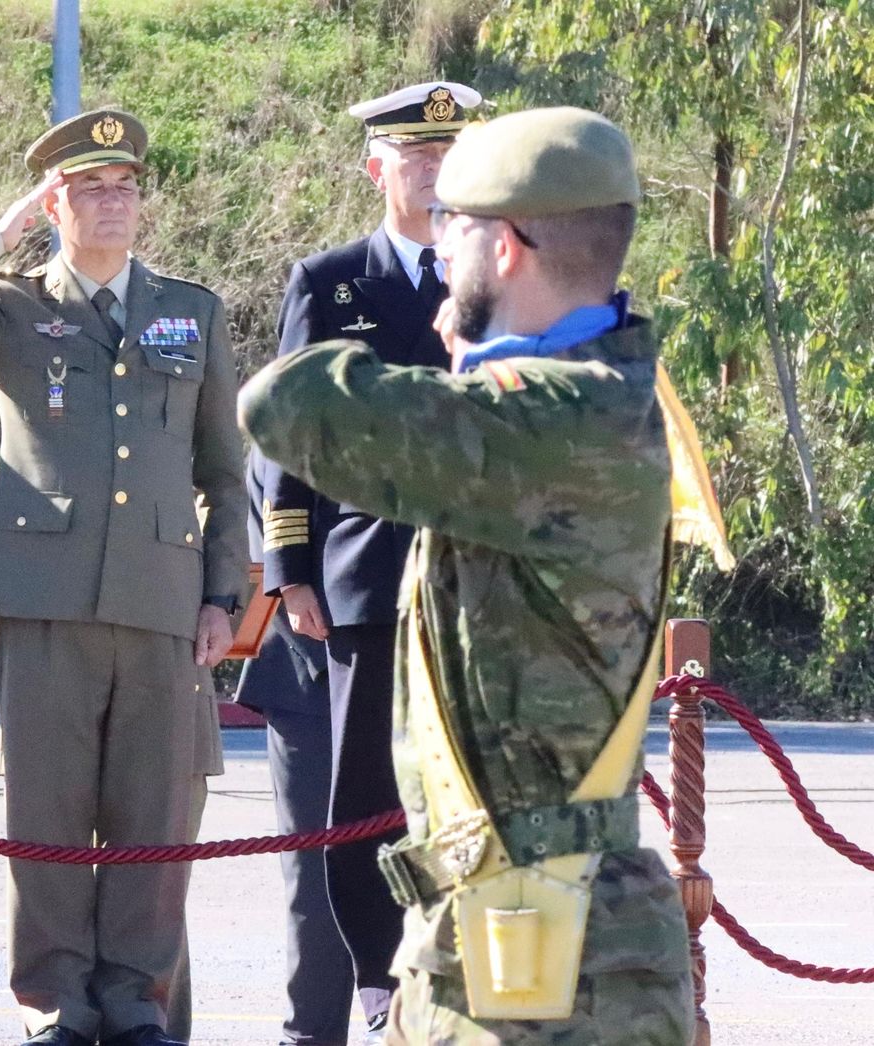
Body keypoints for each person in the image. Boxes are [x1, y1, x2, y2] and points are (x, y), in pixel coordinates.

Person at [240, 106, 695, 1044]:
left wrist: (468, 351)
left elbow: (285, 403)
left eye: (455, 228)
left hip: (558, 963)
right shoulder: (582, 398)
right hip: (509, 934)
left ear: (508, 246)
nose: (439, 253)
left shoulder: (554, 418)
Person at [0, 108, 247, 1046]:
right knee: (43, 815)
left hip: (162, 601)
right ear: (55, 201)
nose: (113, 200)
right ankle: (58, 1006)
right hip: (43, 598)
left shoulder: (190, 310)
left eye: (126, 184)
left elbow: (221, 468)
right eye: (90, 186)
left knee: (153, 817)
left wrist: (223, 596)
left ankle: (136, 1003)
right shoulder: (13, 305)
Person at [260, 80, 480, 1041]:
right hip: (365, 576)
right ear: (376, 168)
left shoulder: (494, 273)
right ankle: (374, 979)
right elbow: (289, 436)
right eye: (417, 159)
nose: (434, 176)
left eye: (448, 158)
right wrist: (291, 570)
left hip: (473, 581)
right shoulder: (332, 280)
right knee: (362, 795)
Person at [231, 449, 353, 1046]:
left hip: (409, 664)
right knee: (316, 875)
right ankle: (310, 1034)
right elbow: (275, 501)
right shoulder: (308, 385)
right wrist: (297, 583)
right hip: (312, 664)